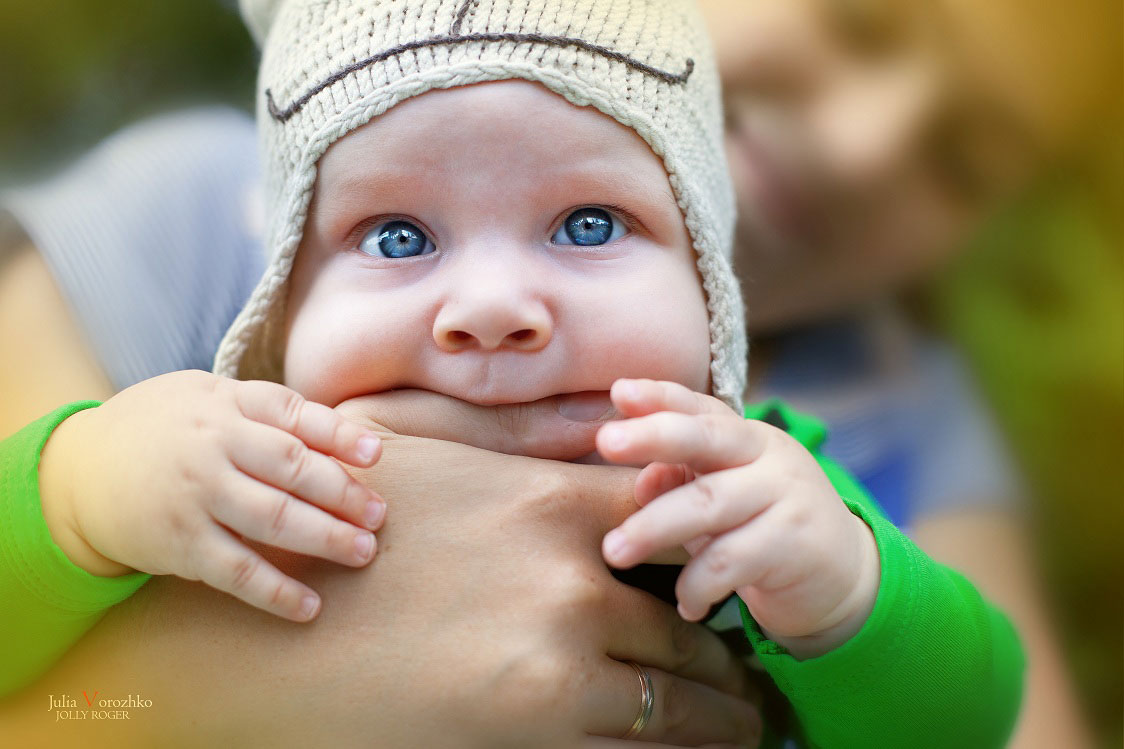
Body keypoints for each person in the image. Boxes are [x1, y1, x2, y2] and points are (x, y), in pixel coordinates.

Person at [2, 1, 1023, 746]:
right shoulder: (233, 467)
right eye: (395, 235)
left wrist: (848, 593)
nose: (490, 307)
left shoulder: (737, 490)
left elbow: (973, 712)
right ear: (280, 314)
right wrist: (79, 495)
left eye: (587, 224)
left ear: (708, 294)